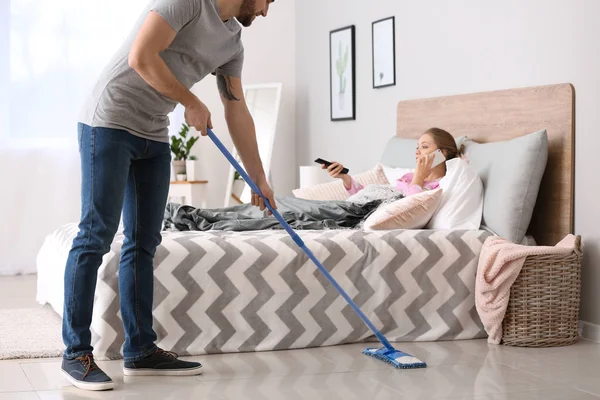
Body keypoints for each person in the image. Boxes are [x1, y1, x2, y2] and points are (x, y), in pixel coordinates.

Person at [61, 0, 278, 391]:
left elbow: (237, 111)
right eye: (269, 0)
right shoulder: (187, 2)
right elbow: (141, 56)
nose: (266, 12)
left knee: (144, 242)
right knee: (95, 235)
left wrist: (258, 176)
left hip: (152, 133)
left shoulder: (233, 42)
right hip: (109, 120)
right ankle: (75, 352)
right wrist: (191, 101)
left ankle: (140, 350)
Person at [324, 128, 462, 197]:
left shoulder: (440, 186)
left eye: (424, 147)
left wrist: (419, 178)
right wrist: (345, 178)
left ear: (442, 154)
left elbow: (410, 209)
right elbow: (371, 198)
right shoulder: (408, 177)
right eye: (417, 147)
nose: (417, 152)